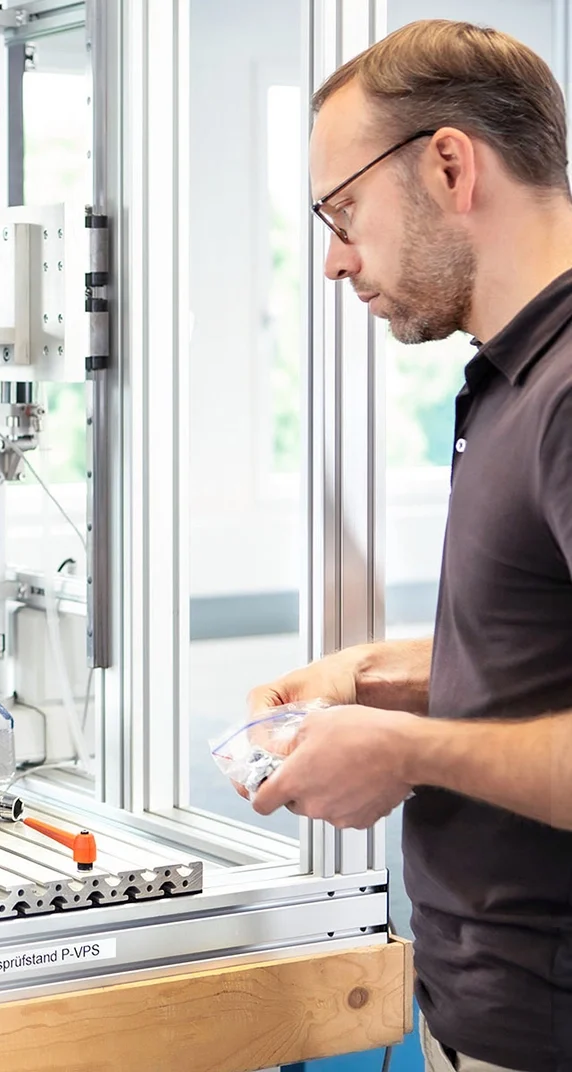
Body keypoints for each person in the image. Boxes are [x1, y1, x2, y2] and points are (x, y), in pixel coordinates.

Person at [242, 20, 572, 1072]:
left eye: (342, 213)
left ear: (446, 163)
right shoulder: (508, 379)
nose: (335, 259)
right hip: (484, 1013)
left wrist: (406, 752)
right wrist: (396, 680)